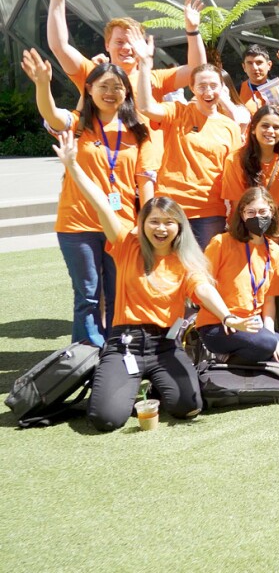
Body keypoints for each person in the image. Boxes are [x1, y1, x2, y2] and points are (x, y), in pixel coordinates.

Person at [53, 132, 244, 432]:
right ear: (142, 223)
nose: (161, 227)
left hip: (165, 345)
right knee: (106, 420)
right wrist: (73, 166)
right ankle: (115, 379)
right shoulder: (126, 243)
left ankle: (152, 383)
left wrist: (227, 315)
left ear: (179, 228)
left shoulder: (185, 260)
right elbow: (101, 203)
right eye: (154, 220)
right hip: (124, 344)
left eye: (169, 222)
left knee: (189, 407)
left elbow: (203, 289)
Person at [24, 51, 157, 347]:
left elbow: (145, 182)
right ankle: (86, 356)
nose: (110, 93)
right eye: (103, 87)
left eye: (117, 87)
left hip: (120, 227)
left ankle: (117, 352)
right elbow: (50, 114)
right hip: (77, 224)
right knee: (87, 295)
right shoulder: (76, 125)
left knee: (118, 292)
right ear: (89, 90)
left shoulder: (139, 131)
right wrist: (42, 84)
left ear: (126, 92)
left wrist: (144, 225)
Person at [133, 39, 244, 250]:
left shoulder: (230, 127)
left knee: (202, 272)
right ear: (191, 88)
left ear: (222, 88)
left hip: (209, 214)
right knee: (169, 271)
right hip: (171, 210)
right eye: (201, 86)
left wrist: (235, 213)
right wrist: (145, 64)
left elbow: (234, 175)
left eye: (213, 85)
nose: (208, 91)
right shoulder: (177, 112)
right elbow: (146, 106)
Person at [42, 0, 204, 100]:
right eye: (119, 42)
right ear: (107, 45)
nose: (126, 48)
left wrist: (192, 31)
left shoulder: (155, 79)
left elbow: (197, 71)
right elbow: (59, 47)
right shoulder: (93, 75)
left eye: (132, 42)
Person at [197, 187, 279, 376]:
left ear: (272, 212)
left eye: (262, 212)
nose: (257, 217)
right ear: (242, 215)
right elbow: (201, 286)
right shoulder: (221, 243)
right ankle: (223, 359)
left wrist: (270, 334)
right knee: (267, 346)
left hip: (254, 326)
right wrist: (229, 318)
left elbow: (269, 301)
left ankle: (246, 360)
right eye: (250, 212)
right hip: (219, 324)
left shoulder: (275, 252)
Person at [221, 105, 279, 235]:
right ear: (253, 128)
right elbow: (237, 204)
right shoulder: (235, 160)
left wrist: (275, 236)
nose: (271, 131)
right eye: (265, 126)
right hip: (244, 230)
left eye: (276, 127)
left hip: (277, 228)